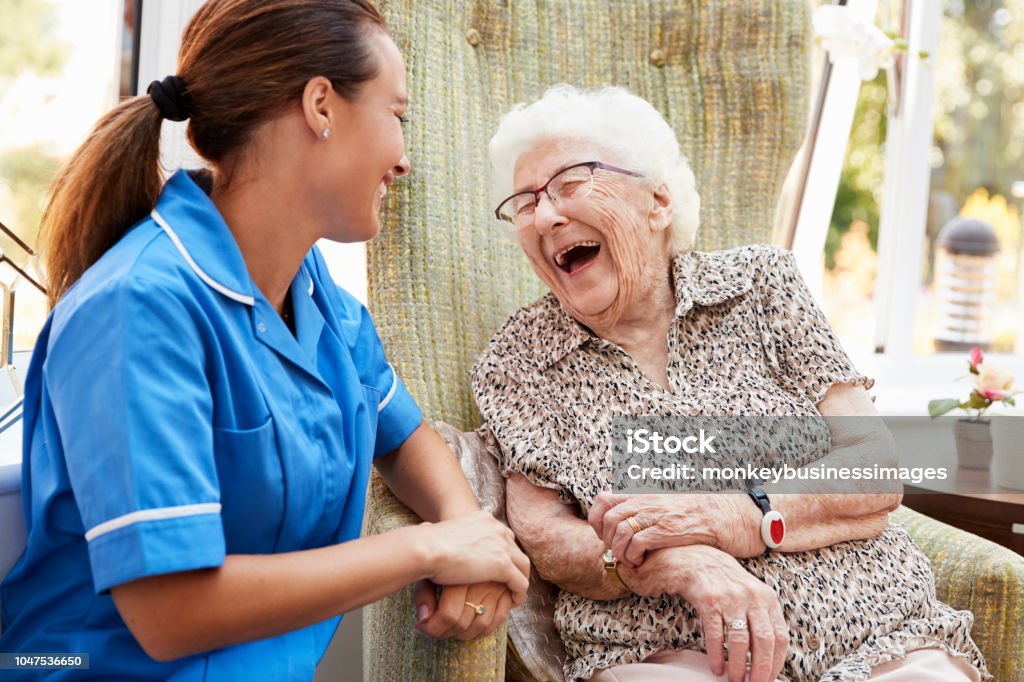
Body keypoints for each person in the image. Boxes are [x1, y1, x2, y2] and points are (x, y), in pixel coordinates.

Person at [0, 1, 529, 679]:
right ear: (321, 106)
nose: (403, 158)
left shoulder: (312, 293)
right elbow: (170, 613)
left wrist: (469, 529)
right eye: (396, 116)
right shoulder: (137, 307)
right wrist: (431, 550)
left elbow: (402, 433)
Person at [472, 85, 988, 682]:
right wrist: (687, 565)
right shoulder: (519, 358)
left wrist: (736, 518)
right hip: (667, 650)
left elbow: (873, 465)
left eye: (568, 184)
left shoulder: (761, 285)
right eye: (526, 203)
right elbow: (548, 540)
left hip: (880, 634)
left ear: (657, 201)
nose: (547, 215)